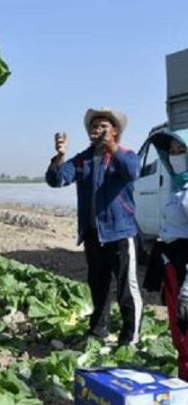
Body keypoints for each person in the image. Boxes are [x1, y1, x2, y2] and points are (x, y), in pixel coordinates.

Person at [45, 108, 142, 346]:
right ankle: (98, 332)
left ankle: (130, 339)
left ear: (115, 131)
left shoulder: (126, 155)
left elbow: (133, 172)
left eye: (103, 127)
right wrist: (59, 156)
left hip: (120, 234)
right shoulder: (83, 160)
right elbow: (56, 180)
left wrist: (111, 148)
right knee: (98, 288)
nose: (96, 130)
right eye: (94, 127)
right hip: (93, 236)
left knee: (126, 290)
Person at [143, 130, 188, 378]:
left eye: (181, 151)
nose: (175, 157)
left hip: (184, 266)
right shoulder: (177, 187)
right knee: (178, 331)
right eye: (171, 152)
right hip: (172, 264)